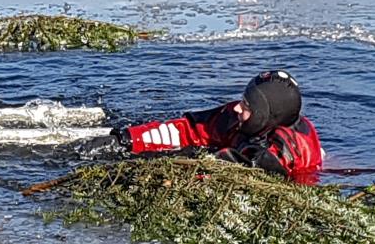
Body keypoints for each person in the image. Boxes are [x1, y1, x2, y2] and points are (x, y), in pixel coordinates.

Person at [114, 69, 323, 183]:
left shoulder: (287, 152)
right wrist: (127, 139)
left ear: (265, 116)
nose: (238, 109)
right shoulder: (239, 117)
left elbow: (247, 174)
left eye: (247, 106)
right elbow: (190, 130)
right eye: (242, 101)